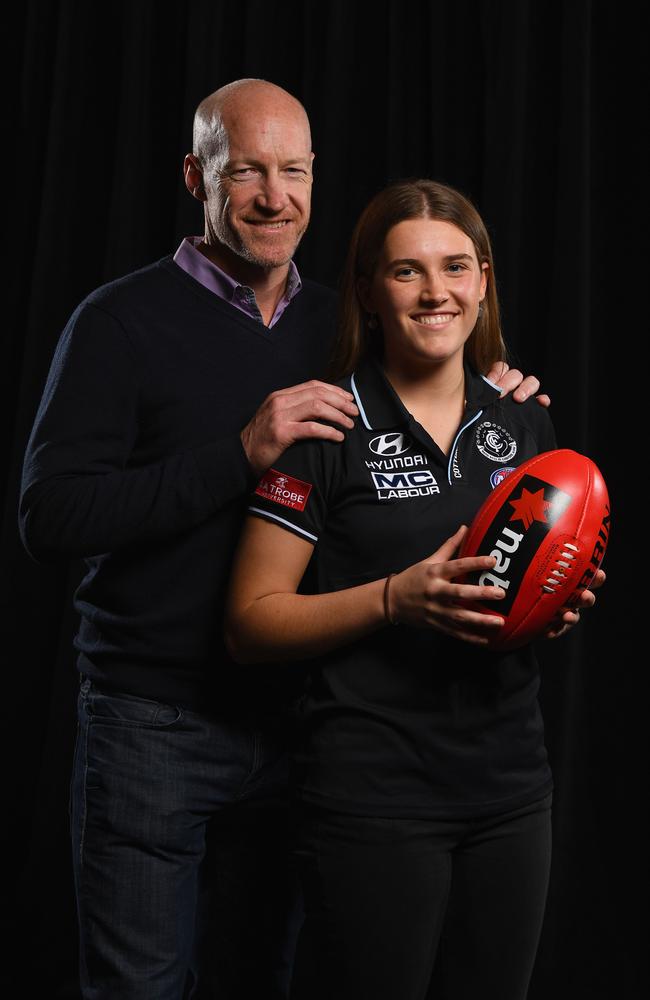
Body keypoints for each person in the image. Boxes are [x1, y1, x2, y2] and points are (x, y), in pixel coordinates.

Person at [19, 79, 547, 999]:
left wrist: (489, 397)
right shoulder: (119, 322)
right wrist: (239, 452)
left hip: (304, 722)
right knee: (140, 983)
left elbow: (418, 399)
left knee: (266, 977)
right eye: (246, 172)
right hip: (158, 719)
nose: (273, 196)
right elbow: (51, 517)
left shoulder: (334, 324)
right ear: (197, 175)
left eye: (293, 171)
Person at [225, 178, 605, 1000]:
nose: (437, 292)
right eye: (406, 272)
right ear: (366, 289)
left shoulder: (522, 423)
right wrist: (395, 597)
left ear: (484, 281)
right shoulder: (324, 426)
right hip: (372, 797)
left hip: (509, 791)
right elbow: (250, 623)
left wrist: (554, 602)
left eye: (456, 267)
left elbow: (506, 595)